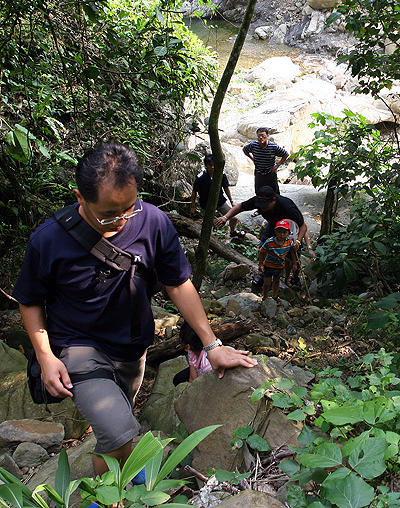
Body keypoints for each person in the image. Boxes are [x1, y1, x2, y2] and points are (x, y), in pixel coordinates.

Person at [13, 142, 257, 478]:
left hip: (132, 347)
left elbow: (178, 283)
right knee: (117, 430)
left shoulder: (152, 222)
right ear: (79, 197)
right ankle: (109, 498)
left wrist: (212, 346)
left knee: (122, 423)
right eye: (108, 214)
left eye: (128, 208)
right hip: (77, 346)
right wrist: (45, 356)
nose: (120, 220)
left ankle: (124, 482)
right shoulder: (50, 240)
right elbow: (30, 300)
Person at [191, 154, 245, 238]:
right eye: (210, 165)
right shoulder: (201, 177)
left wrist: (231, 201)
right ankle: (211, 242)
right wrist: (193, 206)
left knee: (234, 218)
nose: (212, 167)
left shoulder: (220, 174)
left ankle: (232, 231)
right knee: (208, 225)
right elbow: (194, 191)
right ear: (206, 165)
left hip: (220, 201)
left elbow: (226, 187)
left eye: (214, 165)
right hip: (206, 204)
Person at [259, 220, 298, 305]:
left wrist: (294, 263)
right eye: (279, 232)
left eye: (284, 232)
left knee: (277, 281)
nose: (282, 234)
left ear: (288, 233)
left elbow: (293, 252)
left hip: (280, 266)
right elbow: (262, 251)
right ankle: (265, 296)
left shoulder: (289, 242)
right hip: (268, 265)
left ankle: (275, 296)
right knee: (267, 283)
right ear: (275, 231)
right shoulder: (270, 242)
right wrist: (261, 264)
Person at [243, 128, 289, 194]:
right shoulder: (253, 145)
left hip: (270, 173)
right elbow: (245, 150)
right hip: (259, 173)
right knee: (259, 192)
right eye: (259, 136)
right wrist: (253, 159)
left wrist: (277, 166)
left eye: (263, 135)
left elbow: (286, 154)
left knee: (274, 193)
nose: (261, 138)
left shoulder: (273, 146)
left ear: (267, 135)